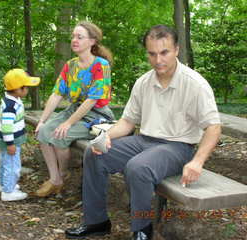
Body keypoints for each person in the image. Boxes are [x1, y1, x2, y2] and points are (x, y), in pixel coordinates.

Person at [65, 25, 222, 240]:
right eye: (152, 53)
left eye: (164, 52)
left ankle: (142, 230)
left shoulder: (195, 84)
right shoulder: (143, 82)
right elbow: (128, 122)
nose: (158, 60)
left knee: (138, 168)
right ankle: (97, 222)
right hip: (144, 140)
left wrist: (197, 161)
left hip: (178, 147)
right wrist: (105, 137)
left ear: (176, 50)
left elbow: (213, 127)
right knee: (93, 153)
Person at [35, 21, 115, 198]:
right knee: (42, 133)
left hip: (96, 115)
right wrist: (42, 121)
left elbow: (92, 100)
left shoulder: (101, 65)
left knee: (60, 134)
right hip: (74, 109)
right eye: (73, 36)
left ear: (92, 41)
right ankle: (55, 179)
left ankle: (62, 174)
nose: (74, 40)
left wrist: (67, 123)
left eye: (79, 37)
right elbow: (56, 95)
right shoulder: (70, 65)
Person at [0, 68, 40, 201]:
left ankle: (4, 185)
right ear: (18, 89)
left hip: (7, 140)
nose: (28, 89)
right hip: (11, 141)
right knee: (13, 166)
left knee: (5, 163)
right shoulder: (11, 106)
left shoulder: (12, 100)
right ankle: (8, 192)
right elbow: (7, 127)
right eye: (26, 87)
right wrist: (10, 144)